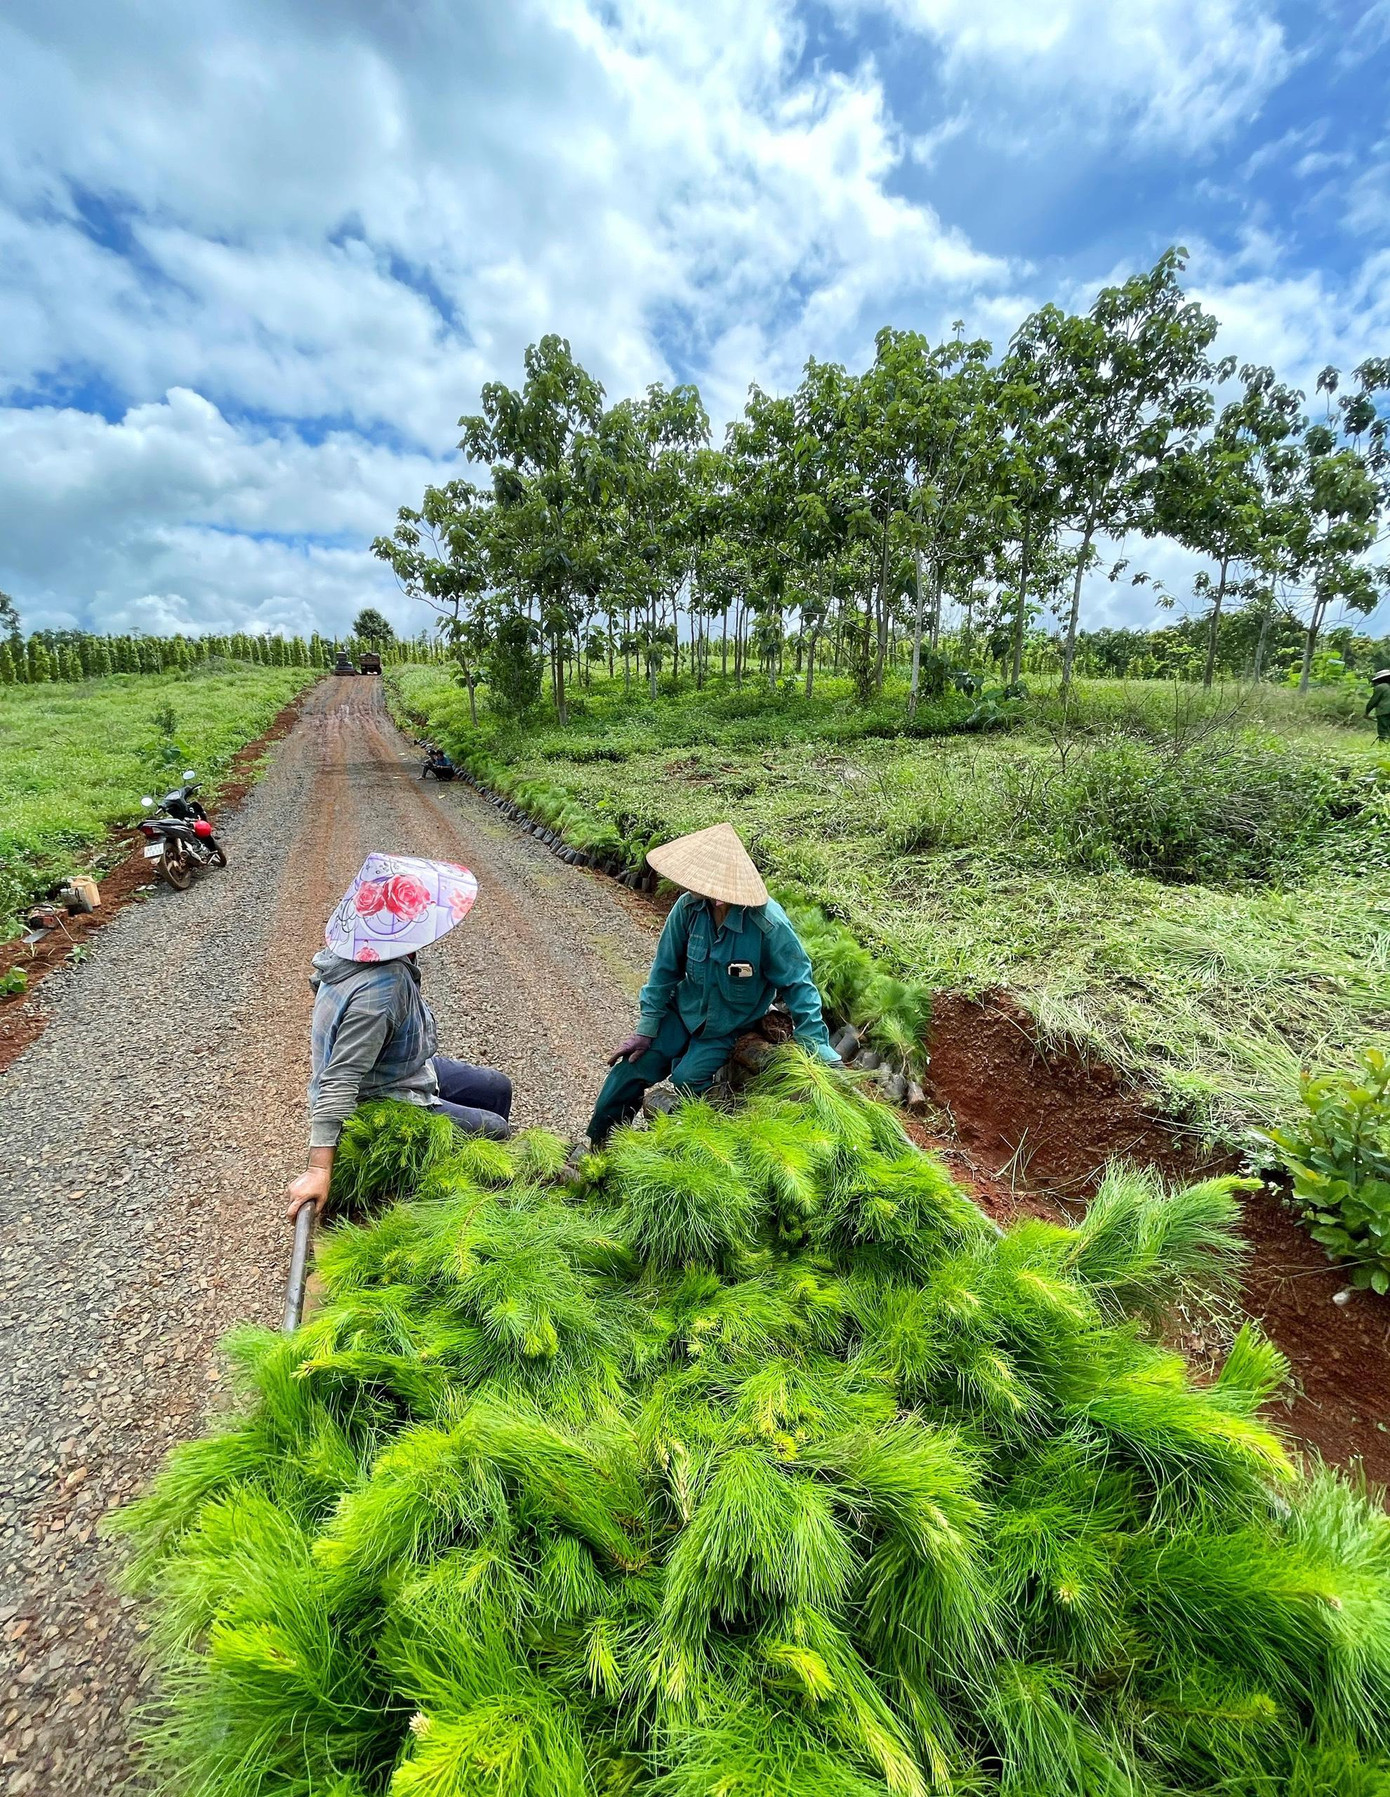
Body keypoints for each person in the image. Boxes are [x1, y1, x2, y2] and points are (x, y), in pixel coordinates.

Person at [286, 852, 512, 1221]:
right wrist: (319, 1169)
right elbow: (340, 1079)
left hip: (400, 1066)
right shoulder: (380, 991)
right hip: (380, 1094)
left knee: (497, 1087)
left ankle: (477, 1170)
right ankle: (463, 1201)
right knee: (495, 1130)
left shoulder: (352, 952)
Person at [586, 822, 841, 1143]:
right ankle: (600, 1145)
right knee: (630, 1069)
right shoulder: (688, 909)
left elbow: (799, 984)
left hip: (728, 1027)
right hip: (683, 1013)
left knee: (686, 1080)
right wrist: (645, 1030)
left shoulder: (768, 925)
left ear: (719, 894)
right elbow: (664, 972)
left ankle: (680, 1140)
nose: (687, 885)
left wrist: (816, 1048)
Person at [1367, 669, 1390, 742]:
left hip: (1384, 712)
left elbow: (1373, 701)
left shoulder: (1381, 687)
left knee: (1383, 732)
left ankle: (1383, 745)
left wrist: (1366, 712)